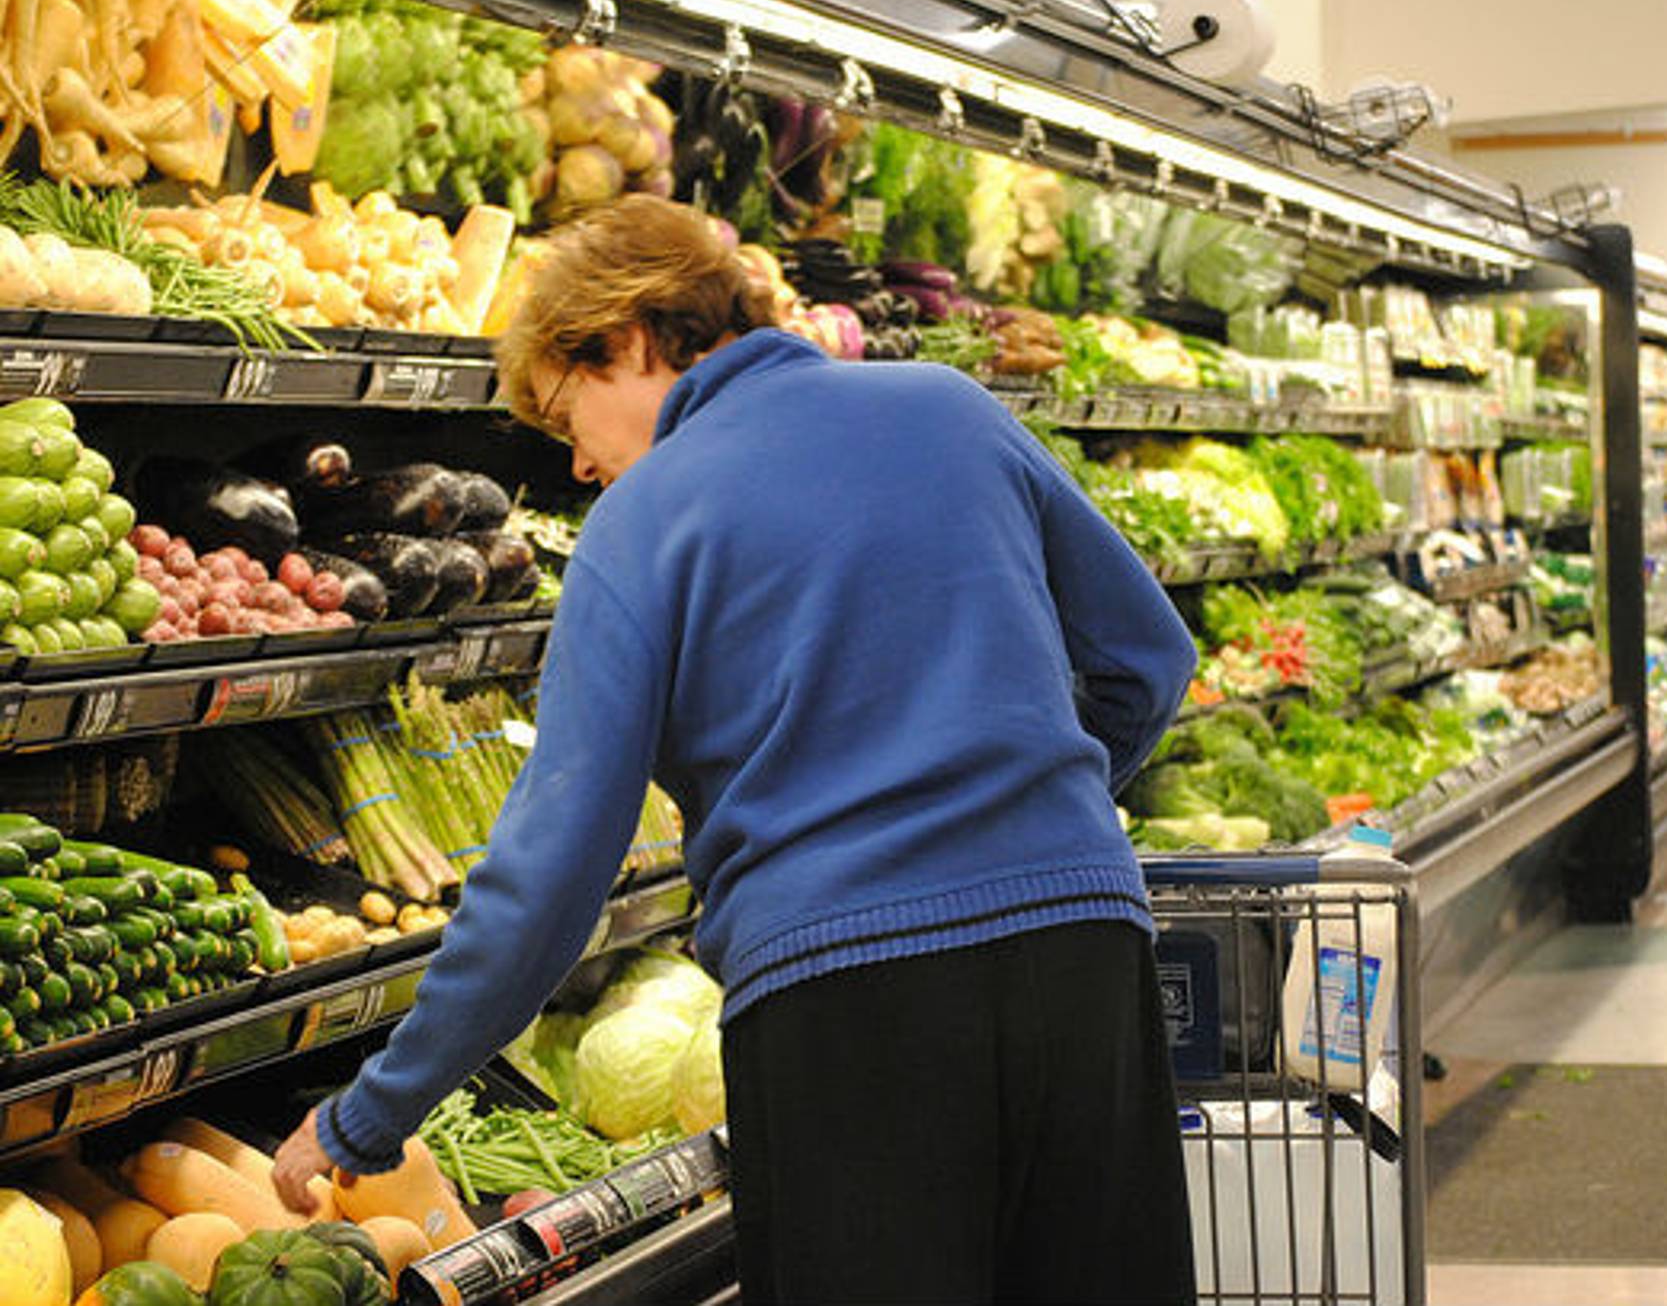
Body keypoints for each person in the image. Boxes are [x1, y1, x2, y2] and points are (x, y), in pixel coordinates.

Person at [272, 195, 1201, 1304]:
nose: (577, 465)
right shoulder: (950, 408)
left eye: (569, 419)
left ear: (624, 339)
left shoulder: (642, 521)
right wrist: (1022, 814)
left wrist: (372, 1112)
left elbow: (553, 866)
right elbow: (1148, 655)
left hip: (847, 1003)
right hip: (1084, 953)